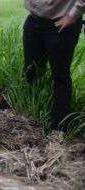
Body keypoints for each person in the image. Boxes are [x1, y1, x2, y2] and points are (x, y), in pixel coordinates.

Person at [23, 0, 85, 130]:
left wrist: (74, 14)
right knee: (31, 72)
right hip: (34, 19)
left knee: (60, 77)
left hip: (61, 23)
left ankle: (59, 128)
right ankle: (32, 120)